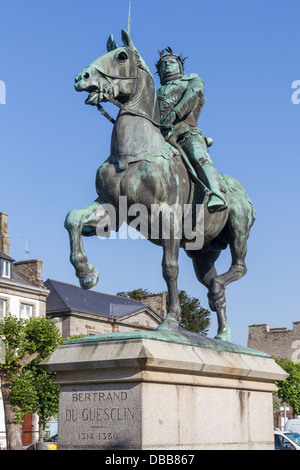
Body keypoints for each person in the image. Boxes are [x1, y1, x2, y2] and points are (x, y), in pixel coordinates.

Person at [156, 48, 227, 212]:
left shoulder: (192, 80)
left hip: (185, 132)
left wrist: (173, 115)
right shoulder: (156, 92)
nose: (167, 65)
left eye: (171, 62)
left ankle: (216, 193)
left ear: (180, 67)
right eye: (163, 64)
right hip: (160, 137)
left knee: (199, 156)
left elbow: (194, 95)